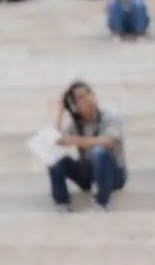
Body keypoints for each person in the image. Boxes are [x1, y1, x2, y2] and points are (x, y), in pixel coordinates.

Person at [48, 81, 127, 212]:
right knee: (53, 158)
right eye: (81, 98)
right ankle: (62, 203)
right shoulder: (76, 124)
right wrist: (60, 111)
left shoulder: (110, 115)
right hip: (88, 172)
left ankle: (101, 204)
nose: (87, 99)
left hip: (114, 174)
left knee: (99, 152)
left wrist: (75, 140)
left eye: (88, 94)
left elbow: (109, 141)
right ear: (75, 106)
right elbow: (57, 141)